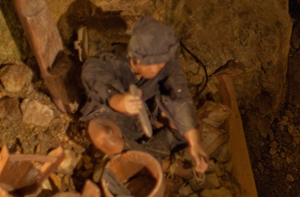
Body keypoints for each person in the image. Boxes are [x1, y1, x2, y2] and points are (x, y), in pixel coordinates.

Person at [80, 15, 209, 174]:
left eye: (159, 64)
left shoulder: (167, 63)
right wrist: (119, 101)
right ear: (134, 58)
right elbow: (93, 74)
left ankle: (139, 158)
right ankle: (161, 165)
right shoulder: (111, 61)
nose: (155, 70)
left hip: (149, 112)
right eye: (149, 65)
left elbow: (179, 94)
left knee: (188, 124)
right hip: (113, 115)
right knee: (102, 136)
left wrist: (195, 142)